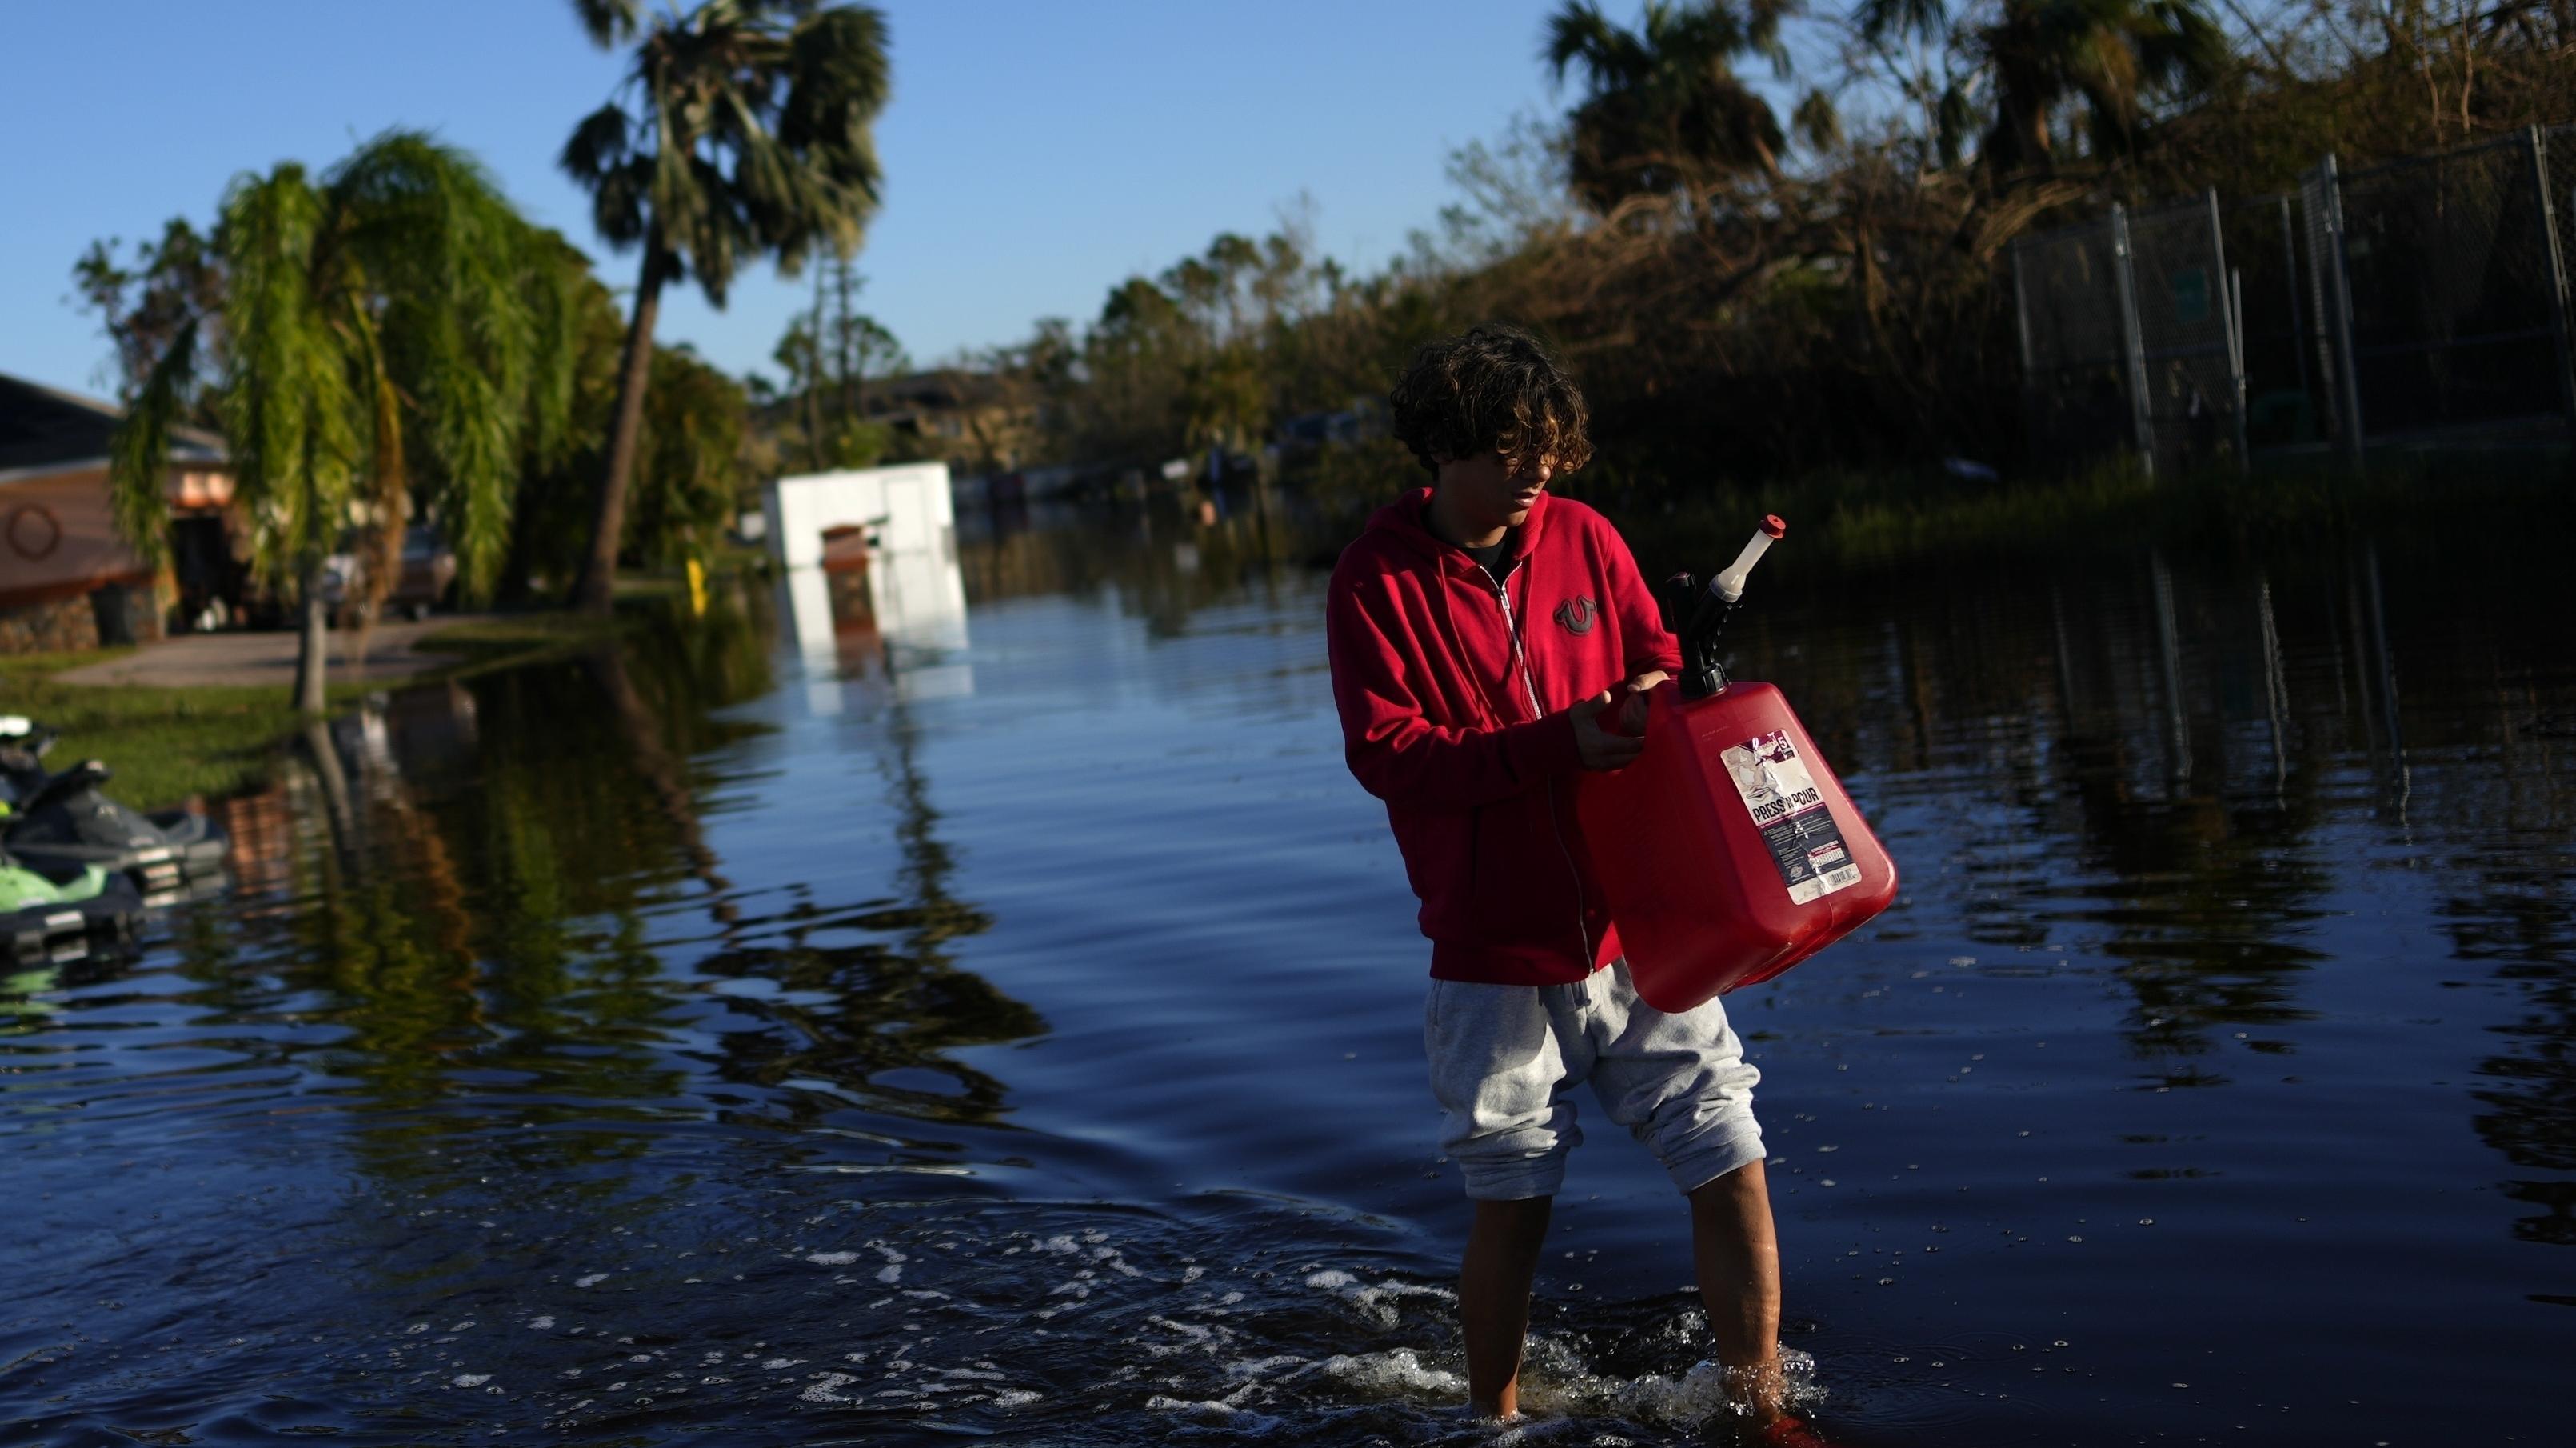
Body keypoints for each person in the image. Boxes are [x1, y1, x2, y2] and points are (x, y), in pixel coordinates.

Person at [1324, 324, 1802, 1434]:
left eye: (1549, 447)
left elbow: (1656, 665)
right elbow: (1385, 753)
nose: (1538, 471)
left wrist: (1674, 666)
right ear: (1443, 450)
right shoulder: (1373, 581)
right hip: (1493, 952)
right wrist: (1551, 744)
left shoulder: (1584, 536)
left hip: (1641, 928)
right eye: (1511, 449)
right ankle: (1492, 1421)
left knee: (1731, 1152)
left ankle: (1761, 1409)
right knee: (1513, 1205)